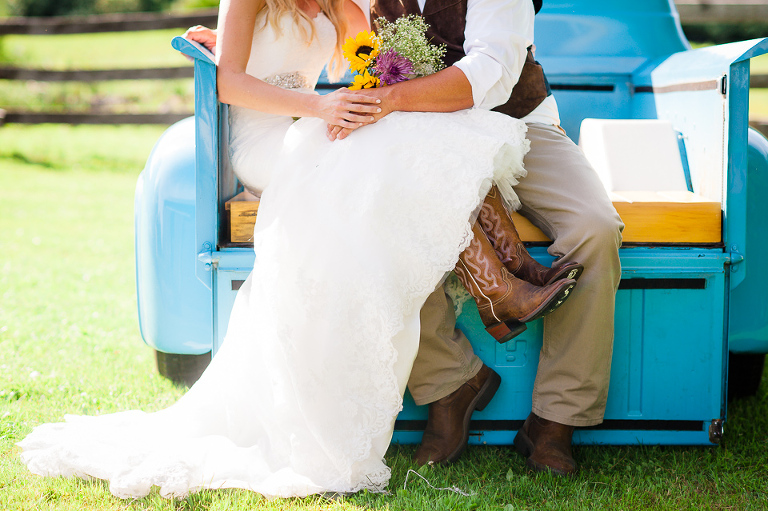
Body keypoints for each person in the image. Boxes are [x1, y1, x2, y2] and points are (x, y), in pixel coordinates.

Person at [18, 0, 576, 499]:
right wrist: (319, 106)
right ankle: (502, 286)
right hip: (261, 142)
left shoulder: (340, 8)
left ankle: (503, 287)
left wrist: (376, 80)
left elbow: (369, 65)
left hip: (303, 127)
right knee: (387, 159)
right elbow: (229, 84)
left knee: (409, 141)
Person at [329, 0, 624, 476]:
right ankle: (449, 383)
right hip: (418, 139)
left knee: (595, 228)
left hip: (518, 124)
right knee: (381, 217)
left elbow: (492, 70)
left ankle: (555, 421)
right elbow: (331, 32)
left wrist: (392, 100)